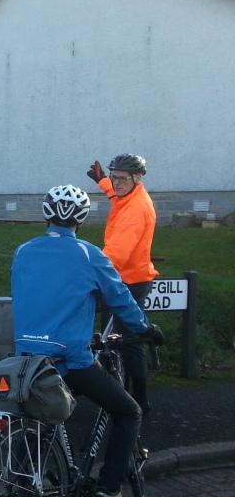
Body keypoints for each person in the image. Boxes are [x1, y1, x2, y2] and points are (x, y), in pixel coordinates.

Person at [11, 184, 164, 497]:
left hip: (28, 359)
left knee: (43, 417)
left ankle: (23, 493)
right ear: (81, 218)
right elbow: (121, 298)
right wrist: (144, 328)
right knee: (129, 411)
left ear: (46, 212)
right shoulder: (89, 254)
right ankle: (108, 489)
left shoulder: (23, 251)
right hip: (70, 358)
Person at [87, 154, 159, 414]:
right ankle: (118, 395)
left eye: (121, 178)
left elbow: (115, 256)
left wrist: (92, 279)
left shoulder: (137, 210)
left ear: (137, 178)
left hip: (129, 282)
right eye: (113, 176)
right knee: (115, 340)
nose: (116, 183)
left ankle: (137, 402)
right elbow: (115, 195)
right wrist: (102, 181)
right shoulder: (127, 195)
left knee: (129, 341)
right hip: (123, 279)